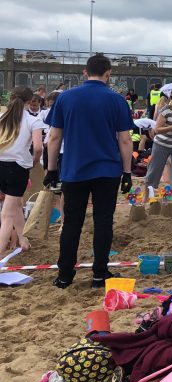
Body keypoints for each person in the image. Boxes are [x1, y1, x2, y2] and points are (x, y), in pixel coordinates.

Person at [46, 55, 135, 289]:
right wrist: (127, 172)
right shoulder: (116, 100)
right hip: (107, 170)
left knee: (72, 222)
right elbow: (125, 140)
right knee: (103, 222)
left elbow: (54, 137)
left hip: (74, 170)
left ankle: (65, 275)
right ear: (108, 73)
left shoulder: (65, 97)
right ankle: (99, 273)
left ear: (85, 72)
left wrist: (51, 169)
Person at [0, 86, 44, 252]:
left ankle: (23, 240)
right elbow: (38, 148)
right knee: (7, 214)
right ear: (29, 101)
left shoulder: (2, 116)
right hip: (17, 167)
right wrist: (35, 161)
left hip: (1, 164)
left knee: (15, 204)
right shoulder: (33, 120)